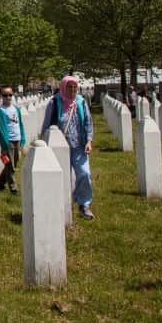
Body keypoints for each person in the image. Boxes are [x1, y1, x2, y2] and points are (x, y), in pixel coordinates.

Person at [41, 75, 95, 220]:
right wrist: (44, 143)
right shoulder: (55, 103)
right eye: (69, 87)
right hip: (60, 146)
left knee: (84, 174)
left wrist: (89, 141)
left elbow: (88, 122)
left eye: (75, 87)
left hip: (79, 145)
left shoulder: (81, 102)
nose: (72, 90)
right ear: (63, 87)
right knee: (62, 177)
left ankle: (84, 204)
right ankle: (60, 204)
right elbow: (47, 124)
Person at [0, 85, 26, 194]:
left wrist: (23, 139)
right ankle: (13, 188)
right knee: (10, 166)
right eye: (5, 95)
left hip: (17, 139)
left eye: (10, 95)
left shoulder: (16, 109)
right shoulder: (1, 111)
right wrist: (4, 145)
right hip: (8, 141)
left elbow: (20, 124)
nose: (8, 97)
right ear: (1, 96)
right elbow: (2, 129)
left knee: (13, 163)